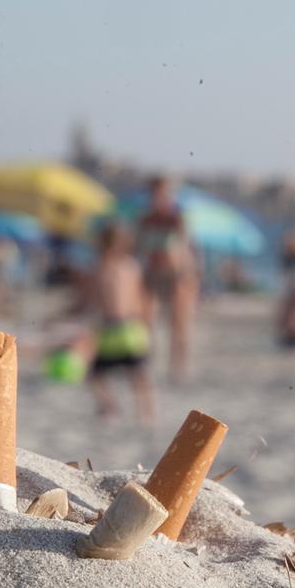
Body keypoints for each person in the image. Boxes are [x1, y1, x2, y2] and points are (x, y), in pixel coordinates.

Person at [85, 222, 155, 424]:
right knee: (99, 373)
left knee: (137, 374)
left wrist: (145, 321)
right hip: (114, 326)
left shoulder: (122, 267)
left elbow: (141, 296)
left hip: (125, 326)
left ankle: (144, 411)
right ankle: (114, 407)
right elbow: (92, 298)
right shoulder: (106, 267)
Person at [135, 175, 198, 382]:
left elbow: (188, 247)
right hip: (152, 273)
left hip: (175, 273)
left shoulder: (176, 218)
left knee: (178, 323)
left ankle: (178, 368)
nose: (158, 197)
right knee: (145, 321)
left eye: (162, 193)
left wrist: (190, 274)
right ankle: (147, 364)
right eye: (154, 193)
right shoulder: (146, 219)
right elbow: (138, 249)